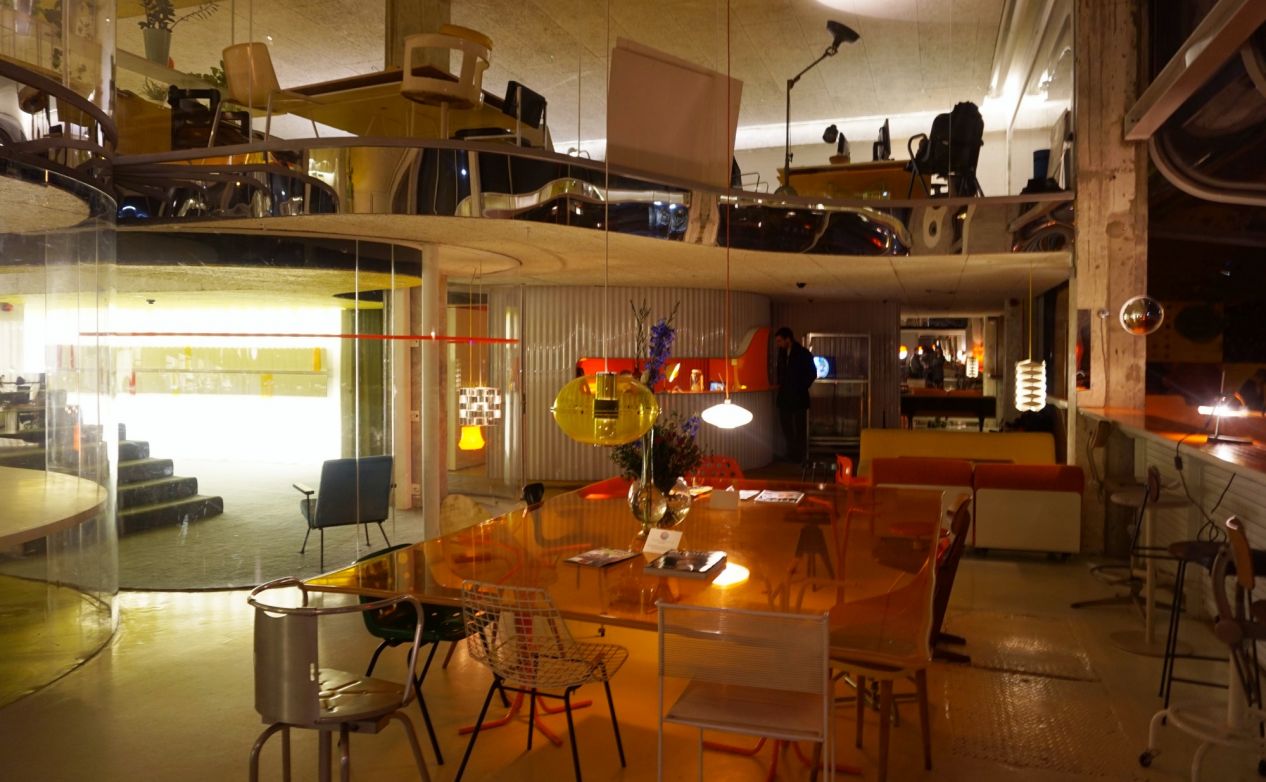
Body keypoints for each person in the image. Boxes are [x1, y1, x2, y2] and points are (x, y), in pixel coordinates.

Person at [774, 326, 816, 462]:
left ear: (788, 339)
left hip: (798, 395)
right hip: (786, 394)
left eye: (780, 341)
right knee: (786, 425)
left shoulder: (803, 353)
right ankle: (792, 452)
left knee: (799, 426)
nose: (778, 344)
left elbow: (812, 373)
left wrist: (801, 386)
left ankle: (798, 454)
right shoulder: (782, 353)